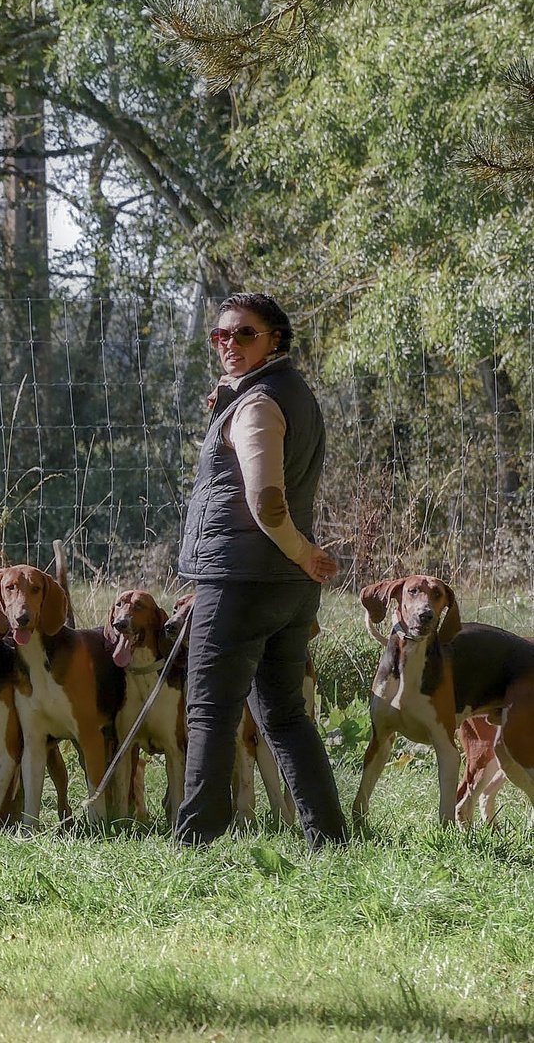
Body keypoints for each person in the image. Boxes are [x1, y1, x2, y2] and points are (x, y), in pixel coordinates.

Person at [174, 292, 347, 847]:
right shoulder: (287, 393)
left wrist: (302, 552)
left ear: (276, 338)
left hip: (244, 579)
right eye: (221, 335)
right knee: (285, 714)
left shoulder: (258, 405)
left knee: (210, 711)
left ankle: (196, 844)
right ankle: (329, 839)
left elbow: (267, 501)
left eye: (245, 334)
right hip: (284, 589)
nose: (229, 344)